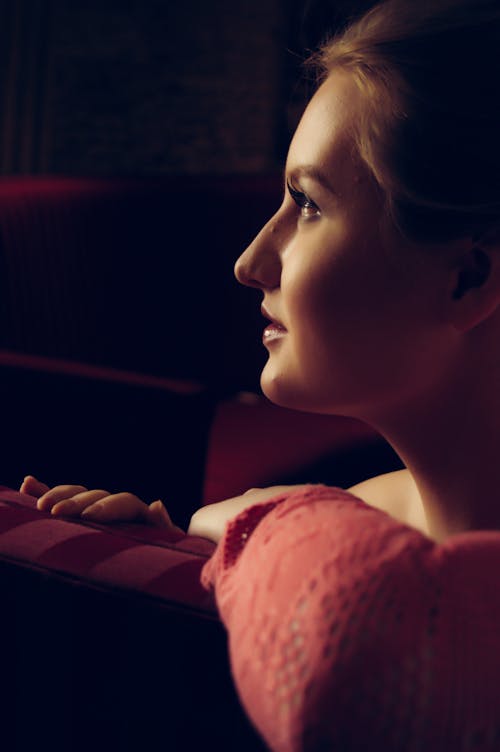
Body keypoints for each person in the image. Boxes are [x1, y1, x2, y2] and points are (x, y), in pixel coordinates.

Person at [20, 0, 500, 748]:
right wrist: (177, 541)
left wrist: (253, 521)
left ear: (468, 277)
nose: (250, 262)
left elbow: (358, 653)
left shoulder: (354, 555)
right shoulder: (374, 508)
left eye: (306, 204)